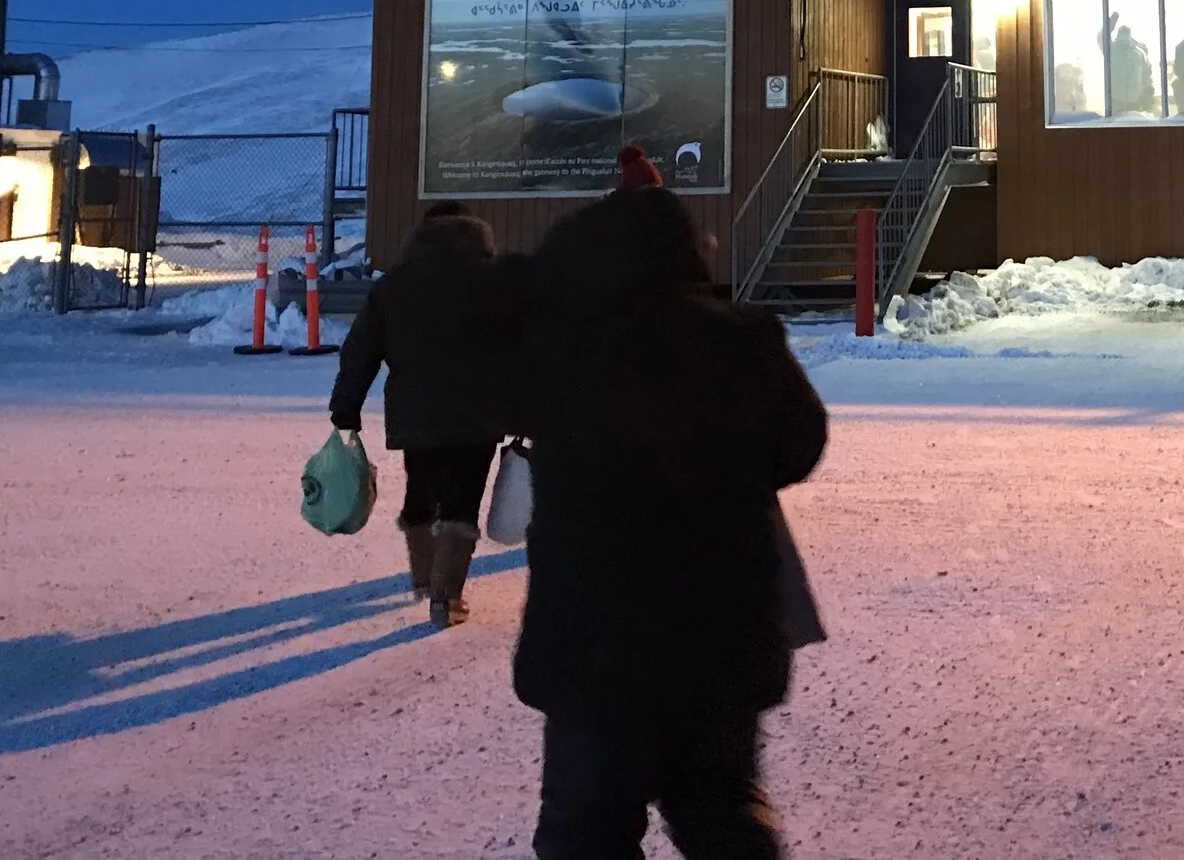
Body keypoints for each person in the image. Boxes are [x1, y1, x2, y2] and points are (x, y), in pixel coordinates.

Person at [517, 161, 828, 860]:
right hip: (717, 628)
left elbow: (487, 387)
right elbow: (800, 445)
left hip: (590, 639)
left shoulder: (562, 349)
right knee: (722, 813)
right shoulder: (742, 340)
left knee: (585, 828)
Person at [327, 203, 524, 628]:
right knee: (461, 500)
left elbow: (360, 353)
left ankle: (422, 577)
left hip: (415, 412)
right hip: (480, 412)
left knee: (422, 489)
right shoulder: (499, 282)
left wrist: (345, 410)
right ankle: (447, 597)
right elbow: (527, 350)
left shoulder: (395, 285)